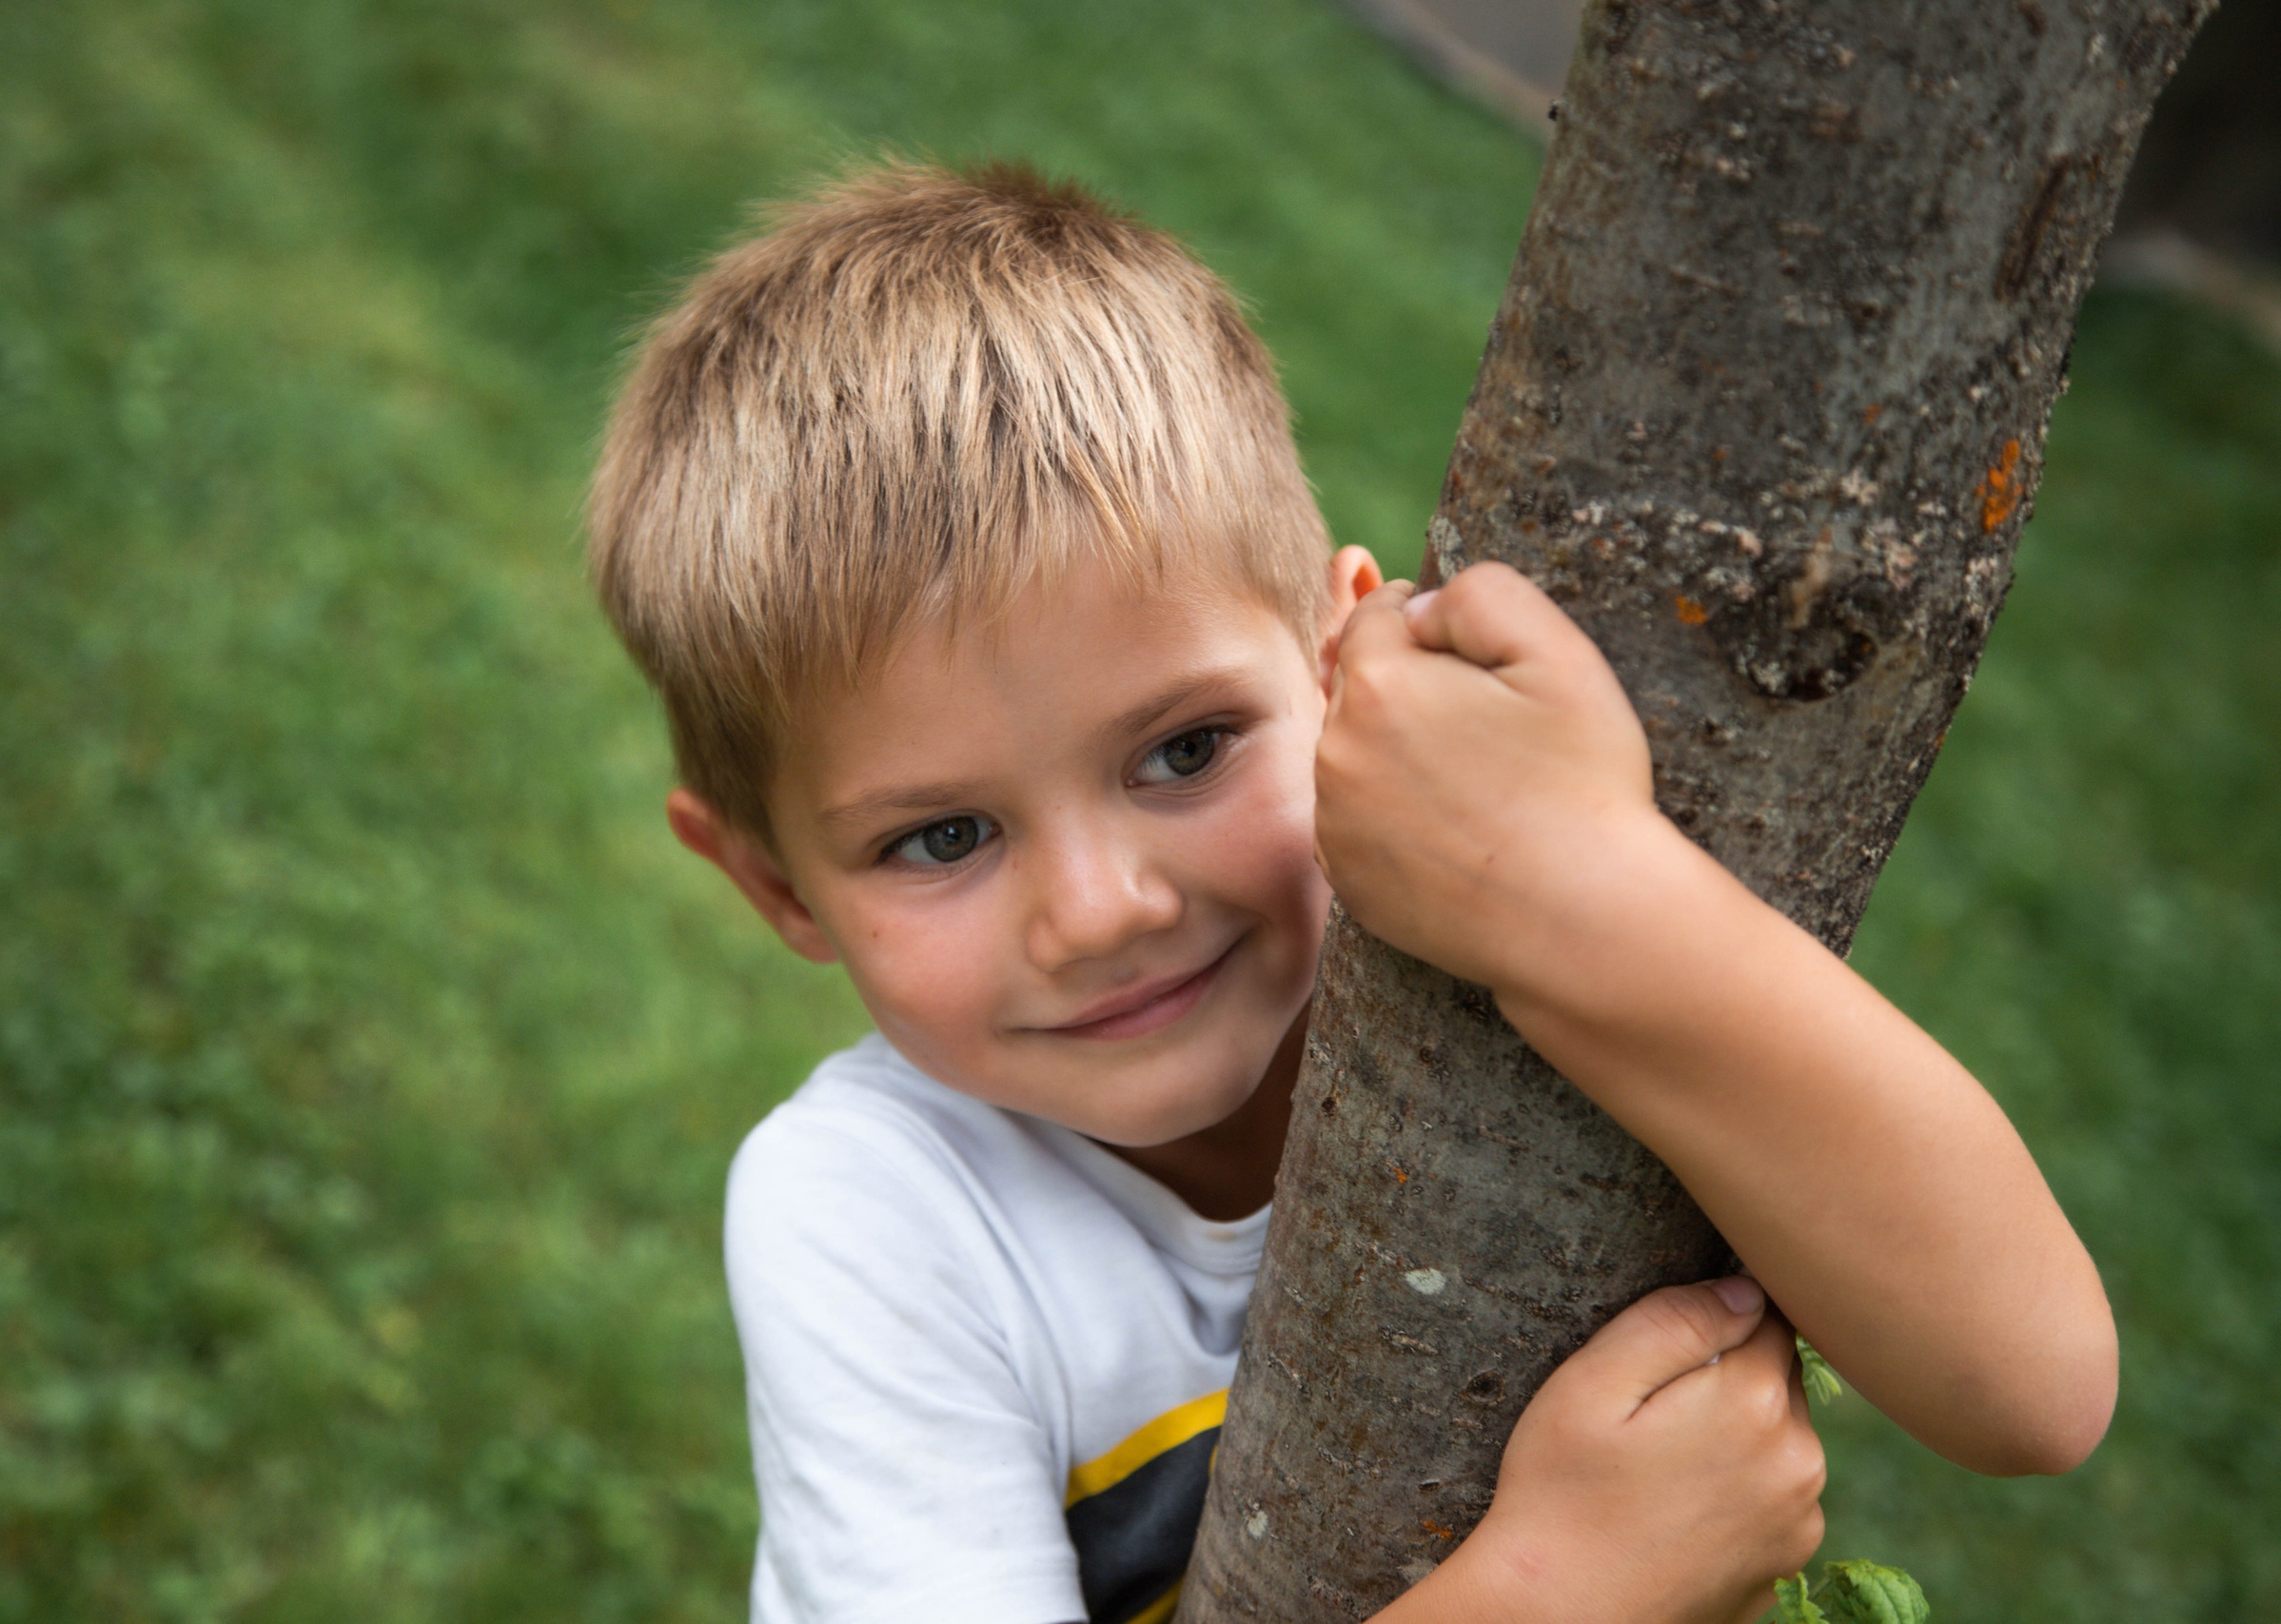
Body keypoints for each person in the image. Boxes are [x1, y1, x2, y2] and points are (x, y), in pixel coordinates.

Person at [586, 161, 2117, 1624]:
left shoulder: (1504, 977)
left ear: (1346, 668)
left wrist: (1588, 895)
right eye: (940, 839)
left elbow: (2032, 1386)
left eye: (1184, 748)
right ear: (775, 887)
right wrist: (1566, 1599)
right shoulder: (879, 1216)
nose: (1104, 907)